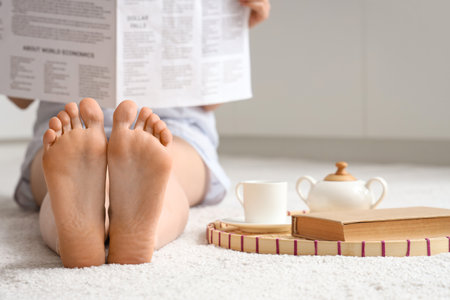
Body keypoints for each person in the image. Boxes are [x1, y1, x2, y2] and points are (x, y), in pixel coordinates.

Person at [8, 0, 270, 268]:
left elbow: (210, 99)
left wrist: (232, 33)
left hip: (102, 124)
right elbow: (19, 92)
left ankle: (84, 236)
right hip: (71, 137)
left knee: (154, 170)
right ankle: (118, 232)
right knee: (166, 181)